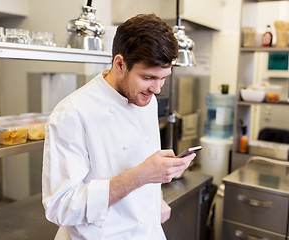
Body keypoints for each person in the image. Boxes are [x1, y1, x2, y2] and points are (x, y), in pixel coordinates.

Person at [42, 13, 196, 239]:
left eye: (163, 78)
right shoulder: (72, 113)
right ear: (120, 64)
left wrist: (157, 195)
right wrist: (142, 176)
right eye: (148, 77)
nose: (157, 89)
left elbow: (140, 161)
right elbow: (60, 206)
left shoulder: (147, 100)